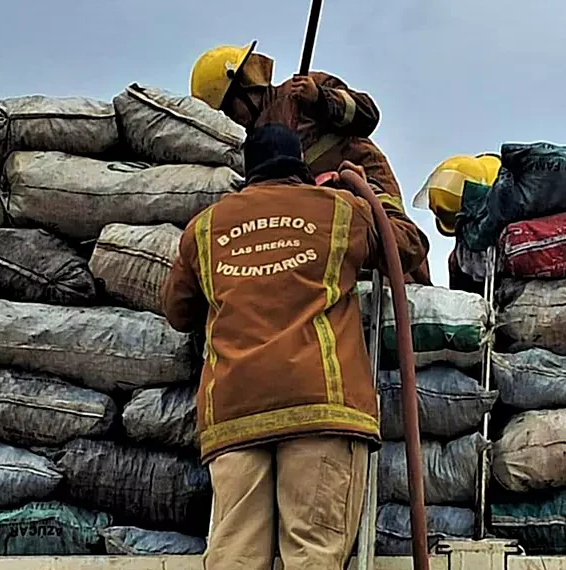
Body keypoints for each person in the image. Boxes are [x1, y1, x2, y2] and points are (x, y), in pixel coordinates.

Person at [160, 123, 428, 570]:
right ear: (301, 167)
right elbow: (409, 246)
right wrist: (377, 194)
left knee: (234, 558)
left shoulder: (204, 229)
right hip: (320, 406)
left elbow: (177, 311)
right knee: (312, 555)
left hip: (235, 412)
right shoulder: (340, 210)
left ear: (248, 173)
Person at [189, 41, 433, 285]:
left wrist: (320, 99)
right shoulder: (250, 142)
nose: (232, 118)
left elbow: (368, 114)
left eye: (230, 108)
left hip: (366, 181)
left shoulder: (302, 90)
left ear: (247, 85)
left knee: (397, 248)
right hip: (320, 211)